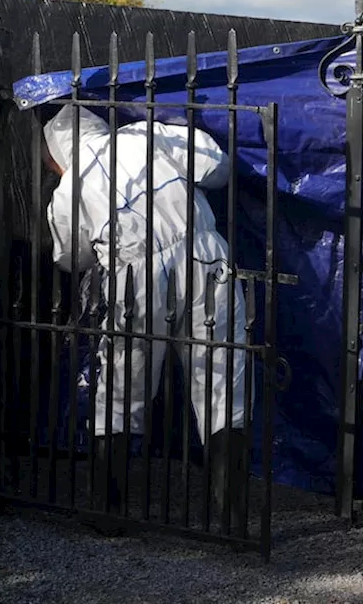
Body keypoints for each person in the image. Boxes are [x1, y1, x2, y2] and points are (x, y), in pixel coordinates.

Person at [41, 104, 249, 530]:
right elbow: (217, 168)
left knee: (121, 387)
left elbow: (70, 257)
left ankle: (108, 511)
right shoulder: (146, 134)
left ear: (58, 153)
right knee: (221, 378)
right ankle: (232, 517)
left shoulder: (69, 187)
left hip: (133, 273)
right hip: (204, 255)